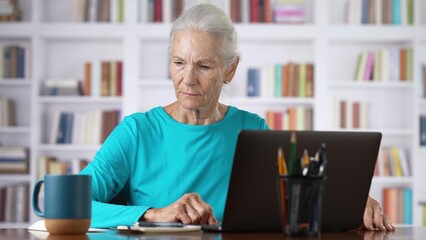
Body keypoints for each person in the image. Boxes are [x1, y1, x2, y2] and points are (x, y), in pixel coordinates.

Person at [81, 4, 394, 231]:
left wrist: (350, 203)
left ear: (229, 70)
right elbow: (66, 205)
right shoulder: (137, 132)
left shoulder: (253, 130)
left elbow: (291, 202)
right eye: (179, 63)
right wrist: (154, 213)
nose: (187, 79)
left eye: (203, 67)